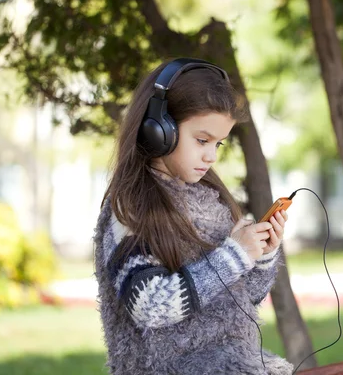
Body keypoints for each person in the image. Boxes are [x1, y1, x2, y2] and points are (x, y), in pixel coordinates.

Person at [93, 58, 294, 375]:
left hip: (228, 363)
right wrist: (234, 255)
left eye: (218, 143)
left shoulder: (212, 202)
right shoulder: (131, 208)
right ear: (159, 130)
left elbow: (244, 300)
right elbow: (151, 306)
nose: (211, 156)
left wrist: (263, 255)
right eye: (202, 140)